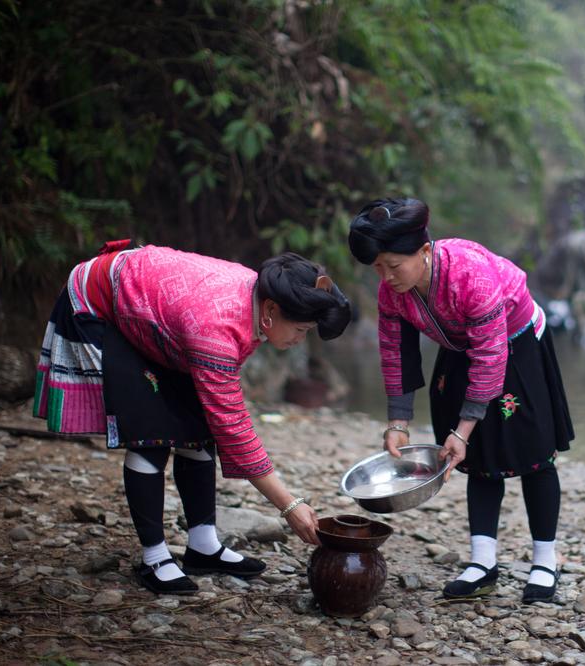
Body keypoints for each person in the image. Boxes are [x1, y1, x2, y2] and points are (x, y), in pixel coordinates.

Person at [33, 239, 351, 594]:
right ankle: (155, 558)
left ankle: (203, 545)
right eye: (301, 330)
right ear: (271, 309)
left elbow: (221, 415)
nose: (300, 340)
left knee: (198, 426)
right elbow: (233, 427)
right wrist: (289, 505)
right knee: (150, 434)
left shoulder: (256, 298)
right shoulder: (216, 327)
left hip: (161, 314)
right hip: (101, 302)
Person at [348, 199, 574, 603]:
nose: (386, 277)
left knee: (534, 453)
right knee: (477, 457)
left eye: (393, 265)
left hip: (515, 342)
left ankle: (545, 560)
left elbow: (490, 355)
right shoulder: (392, 291)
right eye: (377, 267)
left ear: (424, 250)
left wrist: (464, 428)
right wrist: (398, 422)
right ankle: (483, 562)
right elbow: (396, 353)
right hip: (458, 344)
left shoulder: (471, 275)